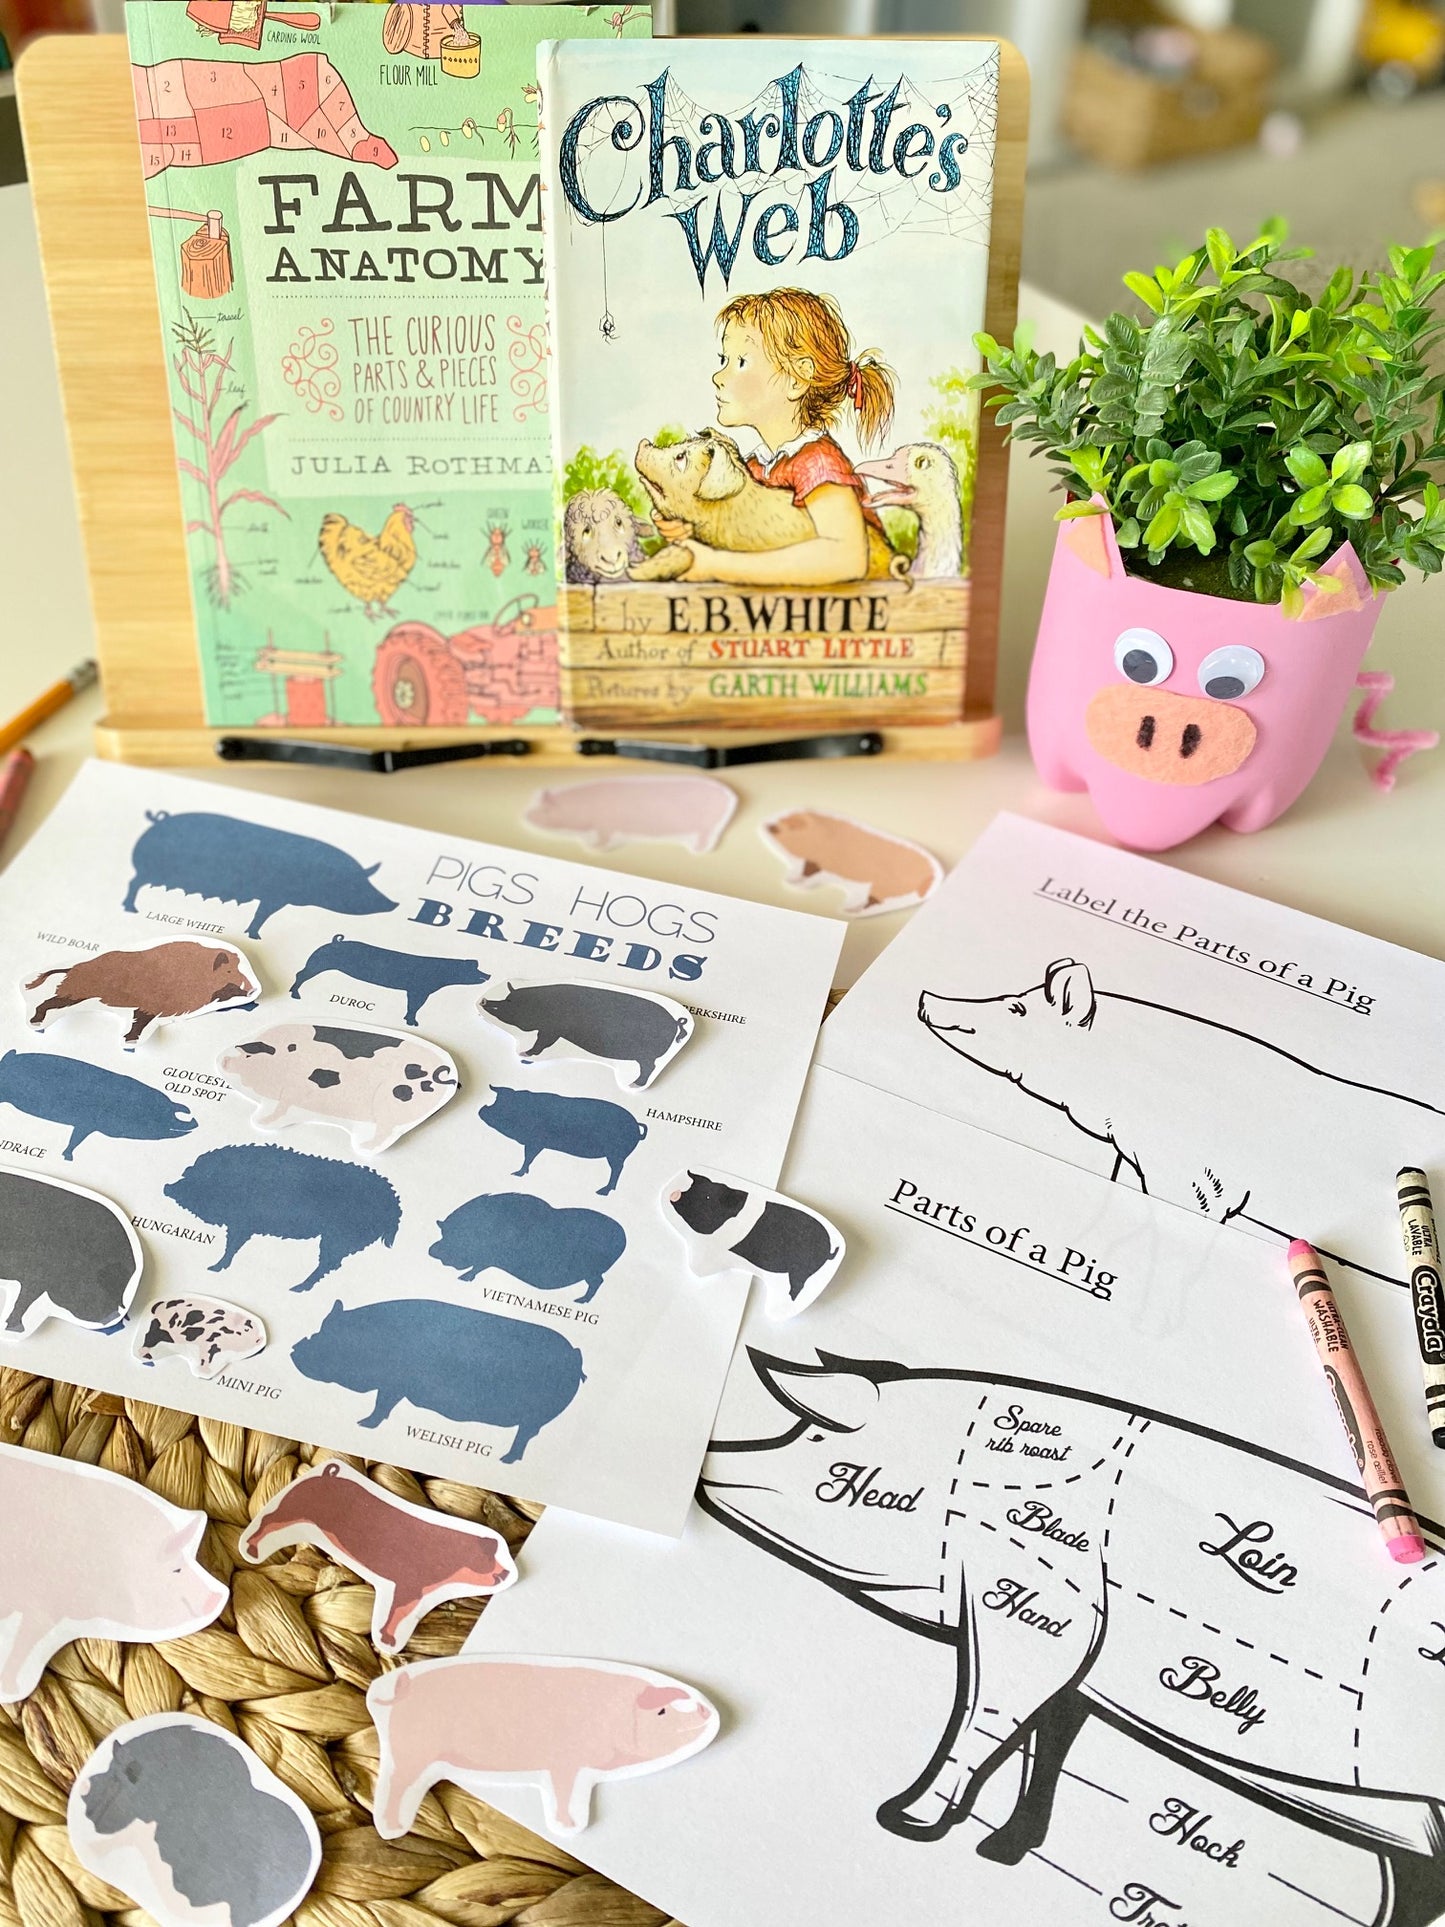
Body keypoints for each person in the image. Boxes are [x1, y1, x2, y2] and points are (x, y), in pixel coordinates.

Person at [658, 287, 898, 585]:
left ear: (797, 379)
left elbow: (847, 558)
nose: (718, 377)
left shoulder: (818, 464)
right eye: (723, 361)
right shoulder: (755, 467)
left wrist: (717, 565)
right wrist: (690, 528)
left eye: (741, 363)